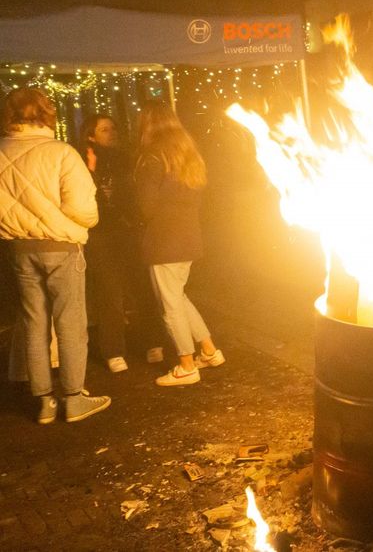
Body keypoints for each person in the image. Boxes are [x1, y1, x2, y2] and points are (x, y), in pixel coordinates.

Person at [0, 88, 111, 423]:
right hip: (62, 247)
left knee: (34, 323)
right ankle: (74, 398)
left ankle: (45, 402)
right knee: (70, 322)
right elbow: (84, 211)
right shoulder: (61, 153)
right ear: (47, 113)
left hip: (19, 248)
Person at [134, 102, 224, 387]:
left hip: (164, 240)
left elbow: (146, 206)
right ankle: (209, 351)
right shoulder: (187, 154)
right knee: (179, 296)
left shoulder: (153, 156)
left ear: (148, 124)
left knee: (170, 303)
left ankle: (186, 365)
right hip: (189, 236)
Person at [80, 114, 134, 372]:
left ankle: (148, 341)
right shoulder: (83, 161)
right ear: (91, 135)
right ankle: (113, 350)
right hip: (99, 232)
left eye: (113, 128)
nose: (111, 133)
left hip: (124, 228)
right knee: (109, 288)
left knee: (135, 283)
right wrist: (92, 175)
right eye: (104, 130)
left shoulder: (125, 159)